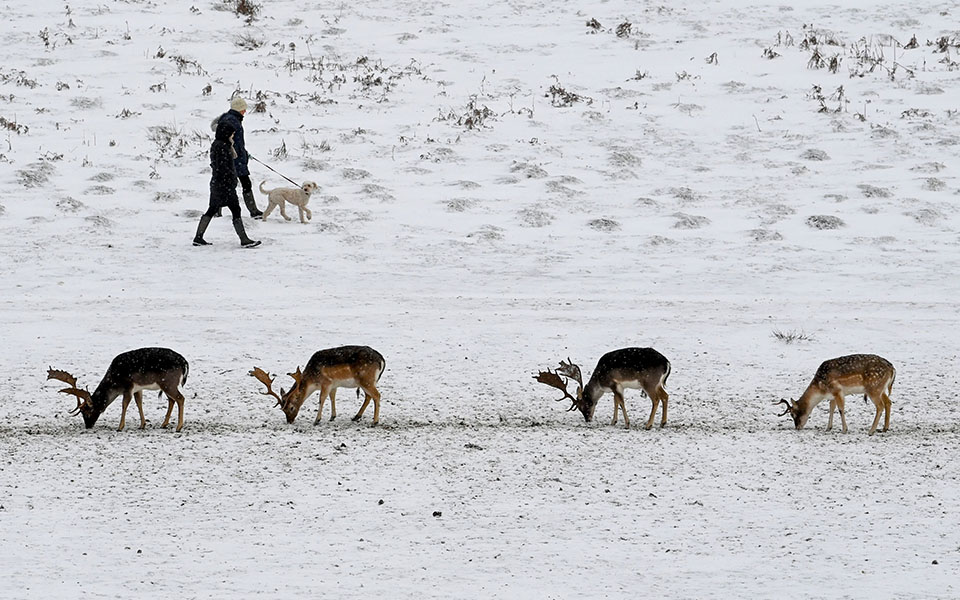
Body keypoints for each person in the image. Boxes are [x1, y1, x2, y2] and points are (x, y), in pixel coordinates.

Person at [193, 120, 261, 248]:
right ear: (226, 134)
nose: (233, 136)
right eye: (232, 134)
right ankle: (244, 239)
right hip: (224, 185)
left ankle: (198, 237)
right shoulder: (223, 147)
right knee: (235, 209)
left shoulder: (219, 145)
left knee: (212, 209)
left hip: (218, 184)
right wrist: (231, 181)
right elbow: (224, 167)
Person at [211, 96, 263, 219]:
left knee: (223, 184)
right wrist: (237, 153)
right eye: (244, 109)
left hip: (232, 157)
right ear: (239, 109)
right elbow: (228, 140)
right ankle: (253, 211)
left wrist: (243, 152)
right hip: (233, 159)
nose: (245, 111)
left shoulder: (230, 118)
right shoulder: (232, 120)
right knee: (244, 183)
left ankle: (216, 211)